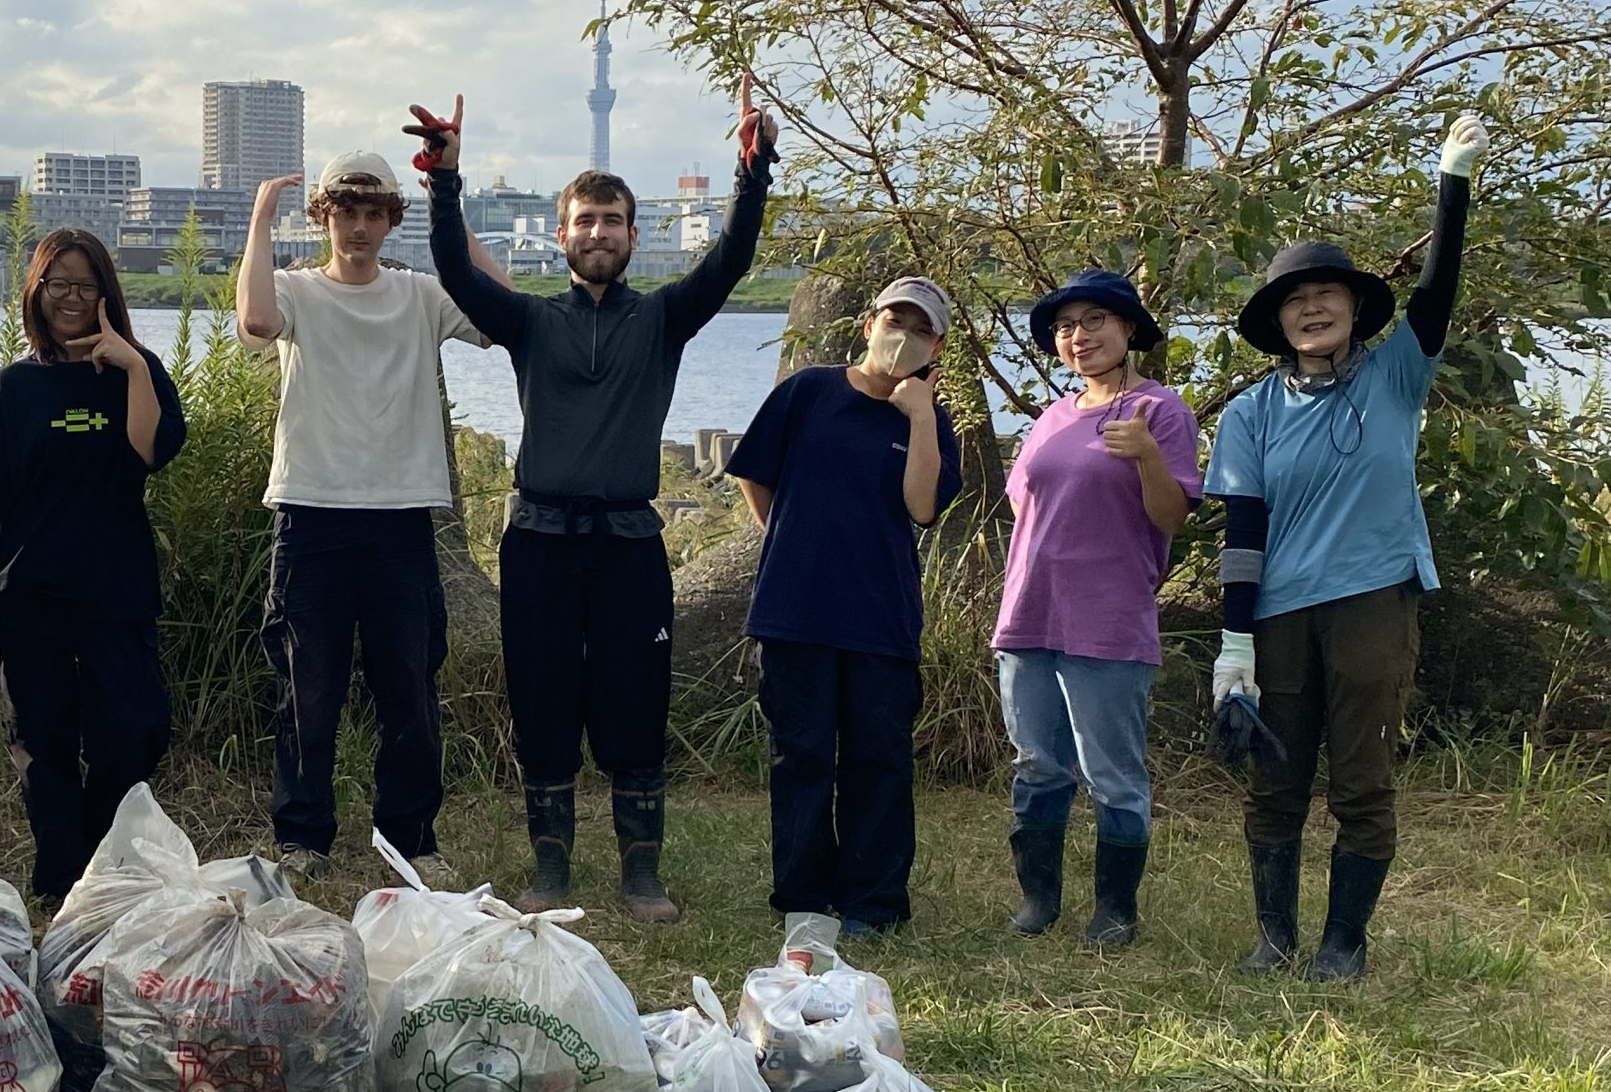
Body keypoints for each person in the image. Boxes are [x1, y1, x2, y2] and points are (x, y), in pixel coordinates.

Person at [420, 81, 778, 922]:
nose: (598, 234)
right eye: (584, 222)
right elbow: (449, 272)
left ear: (632, 235)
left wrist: (751, 173)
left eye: (611, 222)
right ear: (562, 237)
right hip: (540, 540)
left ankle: (640, 871)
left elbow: (730, 259)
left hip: (627, 543)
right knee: (542, 695)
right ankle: (549, 868)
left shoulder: (663, 318)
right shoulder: (528, 322)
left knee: (634, 697)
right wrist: (445, 178)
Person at [1205, 113, 1487, 980]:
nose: (1313, 306)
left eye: (1327, 294)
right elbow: (1244, 532)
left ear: (1356, 309)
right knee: (1274, 782)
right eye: (1296, 299)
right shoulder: (1250, 411)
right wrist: (1234, 640)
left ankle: (1344, 941)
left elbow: (1437, 293)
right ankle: (1275, 936)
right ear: (1278, 320)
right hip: (1279, 611)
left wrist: (1454, 183)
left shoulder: (1399, 373)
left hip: (1373, 597)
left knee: (1362, 779)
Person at [234, 152, 503, 880]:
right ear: (323, 217)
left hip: (400, 518)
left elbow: (503, 310)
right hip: (311, 514)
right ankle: (302, 836)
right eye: (344, 213)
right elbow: (255, 319)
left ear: (390, 221)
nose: (358, 228)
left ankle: (410, 838)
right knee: (304, 687)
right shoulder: (294, 290)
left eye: (373, 214)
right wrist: (261, 219)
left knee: (409, 687)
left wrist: (452, 208)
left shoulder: (418, 295)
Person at [727, 278, 962, 958]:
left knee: (878, 759)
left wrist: (919, 417)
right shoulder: (809, 391)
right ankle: (801, 894)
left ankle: (873, 901)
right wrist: (785, 539)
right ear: (867, 324)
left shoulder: (929, 420)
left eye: (922, 328)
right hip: (794, 608)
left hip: (881, 615)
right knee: (800, 756)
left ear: (936, 345)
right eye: (895, 319)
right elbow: (753, 470)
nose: (904, 334)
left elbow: (922, 507)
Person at [0, 229, 186, 909]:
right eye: (57, 283)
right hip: (31, 594)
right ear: (36, 291)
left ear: (105, 294)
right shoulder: (13, 387)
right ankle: (62, 881)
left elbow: (150, 452)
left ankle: (104, 863)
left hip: (116, 589)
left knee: (135, 731)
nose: (71, 297)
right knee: (43, 742)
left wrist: (135, 366)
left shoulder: (134, 371)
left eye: (85, 285)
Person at [991, 271, 1200, 945]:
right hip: (1030, 614)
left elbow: (1171, 515)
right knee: (1036, 762)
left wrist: (1144, 458)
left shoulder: (1159, 412)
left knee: (1111, 771)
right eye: (1065, 327)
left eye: (1094, 322)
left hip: (1108, 619)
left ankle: (1115, 909)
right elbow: (1025, 504)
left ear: (1129, 329)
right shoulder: (1051, 417)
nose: (1079, 337)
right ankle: (1039, 898)